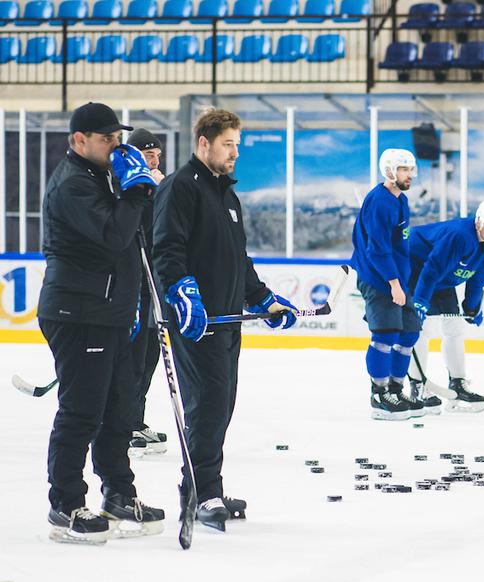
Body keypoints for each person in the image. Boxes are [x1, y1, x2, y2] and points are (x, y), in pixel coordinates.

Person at [153, 108, 298, 532]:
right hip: (199, 321)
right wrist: (182, 292)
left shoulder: (226, 196)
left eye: (237, 144)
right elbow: (166, 249)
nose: (235, 153)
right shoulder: (180, 188)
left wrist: (263, 298)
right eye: (227, 144)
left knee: (221, 405)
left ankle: (205, 486)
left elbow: (238, 259)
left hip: (228, 321)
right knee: (210, 405)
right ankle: (201, 492)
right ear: (204, 143)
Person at [38, 101, 164, 544]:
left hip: (109, 310)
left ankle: (119, 495)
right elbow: (113, 234)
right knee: (82, 411)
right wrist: (133, 193)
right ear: (79, 141)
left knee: (119, 408)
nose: (116, 145)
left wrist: (146, 190)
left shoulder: (100, 176)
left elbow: (137, 233)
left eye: (117, 137)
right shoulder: (74, 184)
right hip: (78, 312)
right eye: (106, 138)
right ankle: (66, 504)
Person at [408, 200, 484, 414]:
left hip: (442, 278)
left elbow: (478, 279)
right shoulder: (459, 235)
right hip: (416, 268)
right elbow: (432, 268)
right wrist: (420, 300)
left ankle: (458, 383)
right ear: (480, 222)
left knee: (455, 328)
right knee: (421, 330)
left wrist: (472, 308)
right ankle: (417, 387)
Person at [351, 148, 424, 421]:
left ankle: (395, 388)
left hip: (397, 279)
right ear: (390, 171)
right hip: (378, 277)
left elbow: (398, 244)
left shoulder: (400, 199)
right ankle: (379, 393)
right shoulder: (379, 201)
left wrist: (402, 281)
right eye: (405, 170)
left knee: (409, 334)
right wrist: (394, 284)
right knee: (385, 336)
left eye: (411, 169)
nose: (410, 175)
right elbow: (377, 248)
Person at [124, 128, 169, 457]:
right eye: (147, 155)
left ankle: (135, 420)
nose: (153, 160)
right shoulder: (128, 185)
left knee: (150, 357)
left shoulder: (162, 186)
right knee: (133, 358)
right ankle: (122, 423)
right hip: (133, 287)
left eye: (156, 155)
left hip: (156, 285)